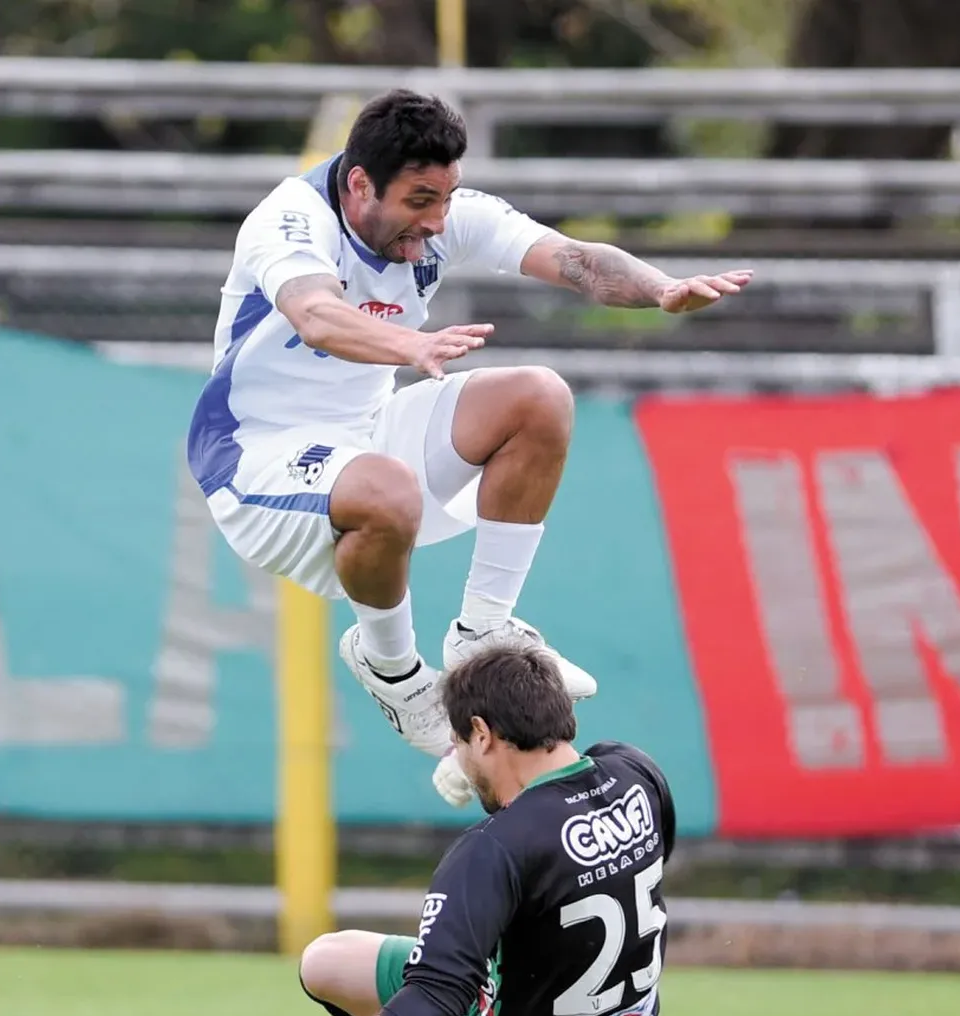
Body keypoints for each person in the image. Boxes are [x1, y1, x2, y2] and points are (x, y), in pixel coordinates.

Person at [186, 89, 753, 793]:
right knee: (385, 486)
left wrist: (662, 287)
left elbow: (576, 259)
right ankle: (394, 671)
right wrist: (408, 345)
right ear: (360, 184)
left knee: (539, 397)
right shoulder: (290, 219)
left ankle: (483, 629)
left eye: (447, 197)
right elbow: (316, 316)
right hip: (256, 460)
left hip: (365, 439)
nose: (436, 220)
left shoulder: (443, 218)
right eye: (421, 200)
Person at [208, 647, 723, 1016]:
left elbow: (436, 996)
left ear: (482, 733)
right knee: (327, 962)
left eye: (457, 741)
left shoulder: (495, 848)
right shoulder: (634, 772)